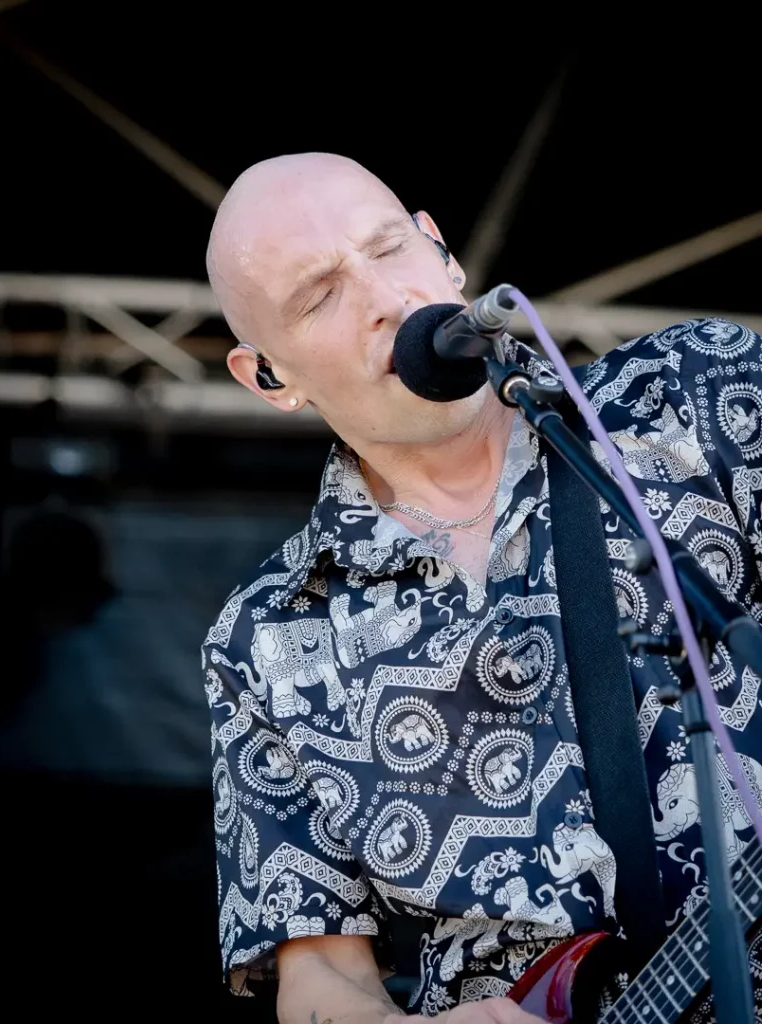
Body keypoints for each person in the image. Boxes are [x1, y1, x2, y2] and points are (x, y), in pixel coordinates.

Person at [203, 153, 762, 1022]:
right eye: (320, 297)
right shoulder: (265, 638)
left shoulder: (693, 393)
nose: (385, 298)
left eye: (389, 249)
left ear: (443, 254)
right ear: (270, 377)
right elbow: (321, 981)